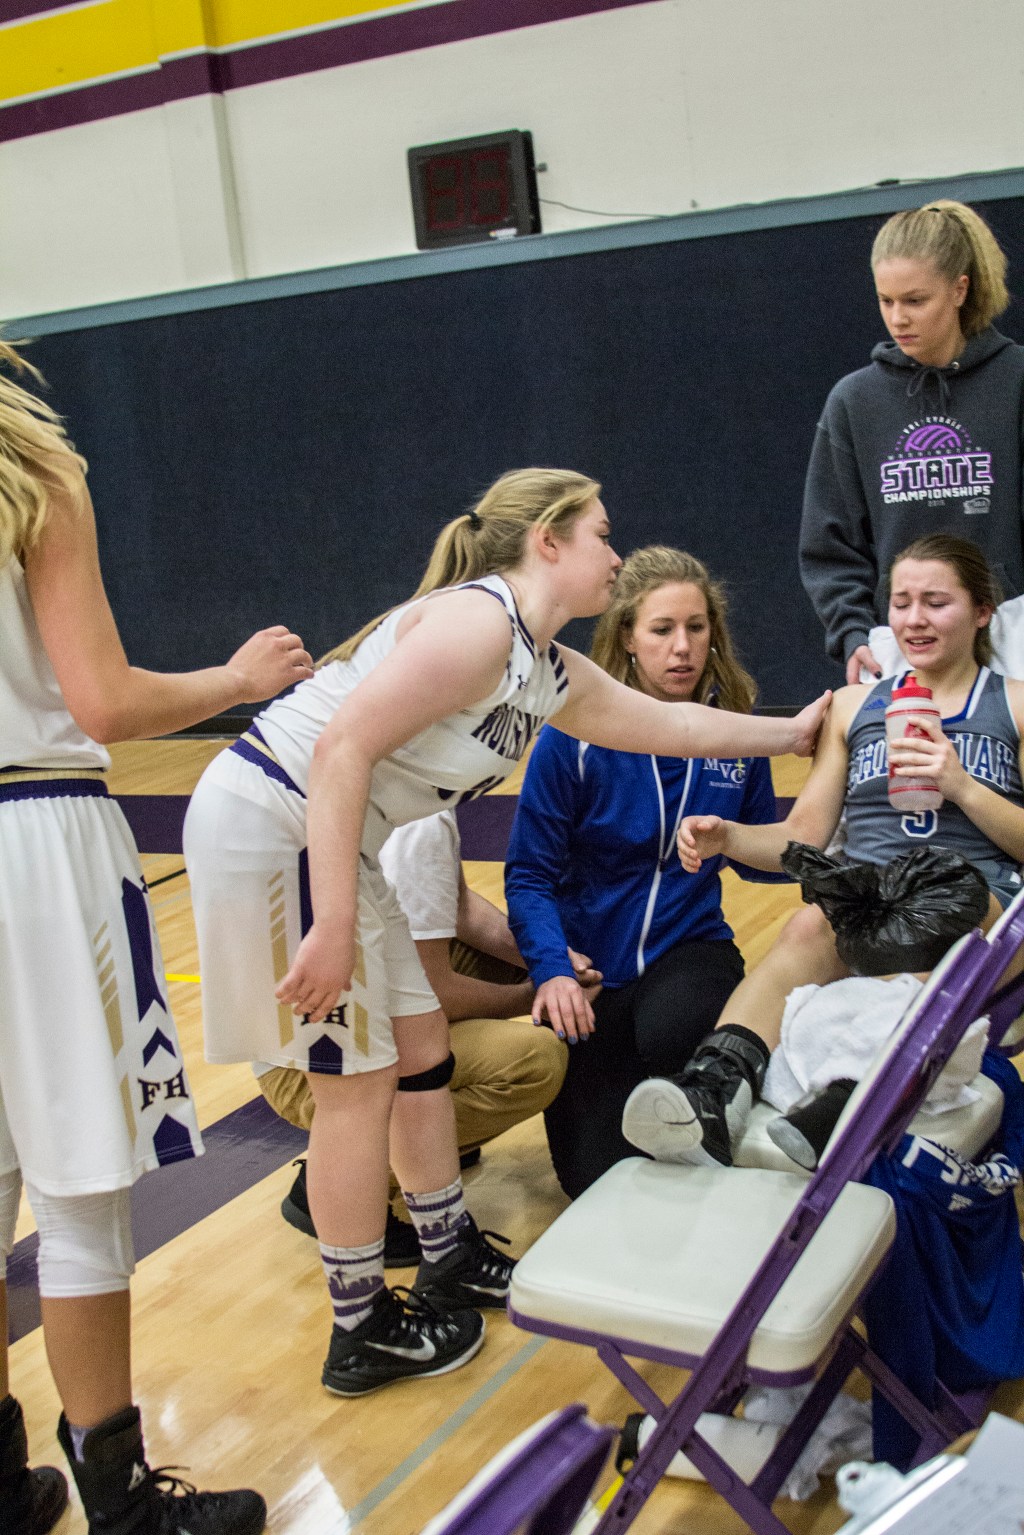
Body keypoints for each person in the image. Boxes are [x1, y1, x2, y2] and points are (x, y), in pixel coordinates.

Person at [182, 468, 831, 1399]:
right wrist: (330, 918)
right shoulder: (478, 622)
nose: (616, 554)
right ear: (550, 541)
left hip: (333, 838)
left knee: (419, 1050)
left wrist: (790, 731)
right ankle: (358, 1322)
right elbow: (340, 750)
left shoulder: (543, 664)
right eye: (603, 534)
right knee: (355, 1085)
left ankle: (445, 1253)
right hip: (275, 823)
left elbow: (674, 723)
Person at [0, 339, 314, 1535]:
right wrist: (232, 676)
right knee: (80, 1188)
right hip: (37, 833)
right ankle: (122, 1500)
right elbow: (103, 700)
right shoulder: (30, 462)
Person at [623, 534, 1024, 1168]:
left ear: (981, 612)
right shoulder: (853, 707)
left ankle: (848, 1095)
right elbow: (804, 837)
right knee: (813, 920)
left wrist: (961, 786)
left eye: (936, 602)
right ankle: (713, 1089)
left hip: (979, 903)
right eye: (901, 602)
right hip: (871, 894)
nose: (914, 618)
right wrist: (729, 836)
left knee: (929, 933)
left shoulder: (1016, 703)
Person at [504, 546, 781, 1197]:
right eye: (662, 629)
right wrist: (550, 969)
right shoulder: (571, 737)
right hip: (591, 974)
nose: (682, 647)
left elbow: (768, 865)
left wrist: (751, 838)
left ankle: (722, 1104)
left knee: (680, 1026)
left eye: (696, 627)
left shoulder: (738, 734)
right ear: (627, 636)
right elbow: (527, 876)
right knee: (591, 1181)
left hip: (690, 950)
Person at [258, 808, 568, 1263]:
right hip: (306, 1065)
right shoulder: (419, 824)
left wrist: (550, 962)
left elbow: (456, 908)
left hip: (317, 1018)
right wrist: (534, 996)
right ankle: (347, 1175)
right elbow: (434, 993)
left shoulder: (413, 798)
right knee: (534, 1062)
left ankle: (421, 1145)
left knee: (512, 960)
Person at [799, 199, 1024, 686]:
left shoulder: (1017, 381)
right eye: (886, 300)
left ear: (960, 289)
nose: (898, 318)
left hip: (1013, 631)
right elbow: (830, 544)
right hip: (900, 641)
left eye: (915, 300)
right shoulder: (853, 401)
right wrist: (855, 635)